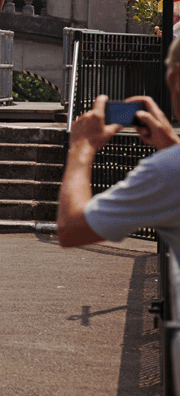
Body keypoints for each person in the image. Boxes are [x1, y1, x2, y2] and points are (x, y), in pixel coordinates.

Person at [57, 37, 180, 256]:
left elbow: (72, 228)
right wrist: (172, 145)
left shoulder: (169, 171)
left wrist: (81, 146)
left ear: (177, 80)